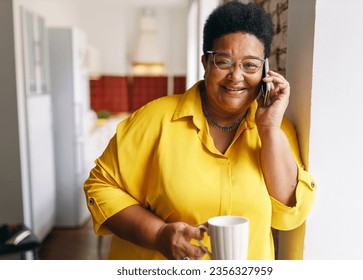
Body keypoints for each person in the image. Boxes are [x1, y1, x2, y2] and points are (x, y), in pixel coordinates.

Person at [84, 1, 315, 260]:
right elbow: (100, 186)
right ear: (206, 63)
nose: (236, 76)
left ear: (265, 70)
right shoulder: (154, 119)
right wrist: (159, 234)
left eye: (250, 65)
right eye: (223, 62)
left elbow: (289, 216)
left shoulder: (277, 129)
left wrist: (269, 130)